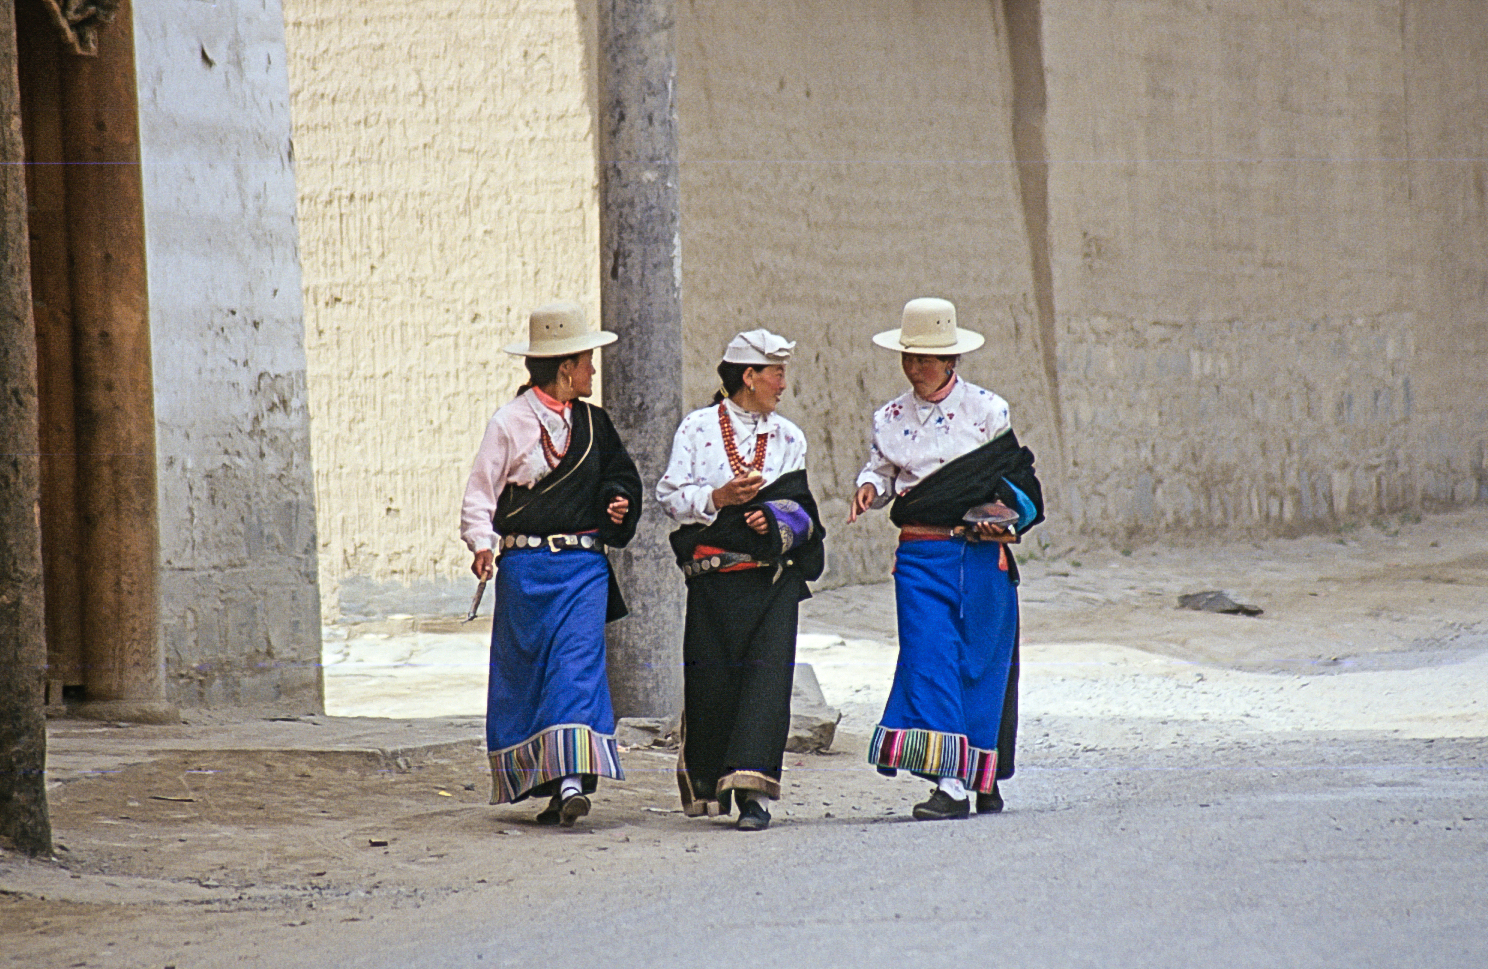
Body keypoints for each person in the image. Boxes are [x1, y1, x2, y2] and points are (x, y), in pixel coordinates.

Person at [846, 297, 1044, 820]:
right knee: (929, 656)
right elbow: (883, 471)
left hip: (982, 558)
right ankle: (948, 782)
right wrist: (870, 489)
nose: (915, 368)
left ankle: (982, 776)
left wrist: (1002, 514)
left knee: (981, 664)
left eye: (926, 359)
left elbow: (1017, 484)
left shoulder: (988, 411)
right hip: (921, 555)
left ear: (951, 361)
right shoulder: (888, 417)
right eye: (909, 357)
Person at [459, 302, 643, 827]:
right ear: (566, 367)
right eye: (587, 361)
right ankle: (550, 785)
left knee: (575, 668)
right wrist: (480, 544)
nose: (592, 371)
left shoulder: (594, 423)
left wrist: (617, 502)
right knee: (530, 678)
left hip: (583, 569)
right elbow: (480, 492)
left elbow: (621, 477)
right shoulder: (509, 423)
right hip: (525, 572)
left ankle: (570, 782)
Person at [657, 330, 825, 831]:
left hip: (771, 583)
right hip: (714, 582)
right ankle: (713, 784)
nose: (783, 385)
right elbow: (671, 495)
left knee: (766, 685)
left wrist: (772, 520)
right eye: (776, 373)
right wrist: (719, 500)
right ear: (748, 377)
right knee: (713, 686)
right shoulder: (697, 428)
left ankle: (755, 794)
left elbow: (800, 507)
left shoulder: (790, 437)